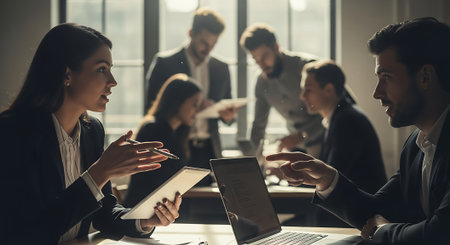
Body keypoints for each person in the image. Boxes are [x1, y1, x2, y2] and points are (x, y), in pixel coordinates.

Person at [267, 17, 450, 244]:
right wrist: (327, 178)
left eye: (386, 77)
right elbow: (374, 212)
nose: (377, 93)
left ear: (425, 77)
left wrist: (381, 231)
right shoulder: (416, 144)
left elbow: (440, 233)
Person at [0, 23, 181, 244]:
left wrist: (143, 220)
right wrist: (100, 171)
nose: (113, 82)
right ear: (67, 75)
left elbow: (103, 213)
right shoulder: (13, 133)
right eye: (102, 69)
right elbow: (31, 231)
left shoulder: (92, 131)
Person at [145, 7, 237, 185]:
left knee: (212, 207)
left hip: (210, 150)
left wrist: (229, 116)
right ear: (191, 33)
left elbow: (228, 108)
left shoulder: (221, 68)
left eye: (213, 43)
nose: (208, 48)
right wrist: (191, 108)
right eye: (204, 42)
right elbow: (152, 107)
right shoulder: (165, 63)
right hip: (175, 147)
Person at [299, 60, 387, 227]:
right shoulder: (340, 117)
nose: (302, 96)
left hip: (359, 219)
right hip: (350, 214)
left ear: (329, 90)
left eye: (308, 90)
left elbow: (332, 176)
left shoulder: (347, 121)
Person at [239, 23, 324, 157]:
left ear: (276, 47)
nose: (261, 64)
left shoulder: (308, 67)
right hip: (296, 148)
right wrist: (251, 160)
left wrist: (303, 135)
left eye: (264, 57)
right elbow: (259, 126)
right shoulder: (261, 82)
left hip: (326, 143)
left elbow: (337, 108)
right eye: (256, 59)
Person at [124, 74, 201, 207]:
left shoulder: (177, 133)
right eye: (194, 104)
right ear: (178, 101)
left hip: (161, 207)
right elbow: (162, 179)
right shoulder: (153, 129)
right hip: (144, 209)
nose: (196, 111)